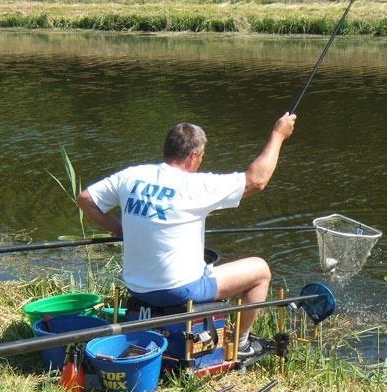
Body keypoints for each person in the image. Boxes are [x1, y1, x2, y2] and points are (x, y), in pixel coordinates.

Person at [75, 112, 297, 358]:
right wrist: (278, 134)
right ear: (193, 156)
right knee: (260, 270)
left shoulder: (131, 176)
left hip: (137, 287)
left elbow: (85, 199)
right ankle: (241, 344)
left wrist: (121, 229)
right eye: (201, 156)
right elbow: (256, 181)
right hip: (179, 289)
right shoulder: (195, 186)